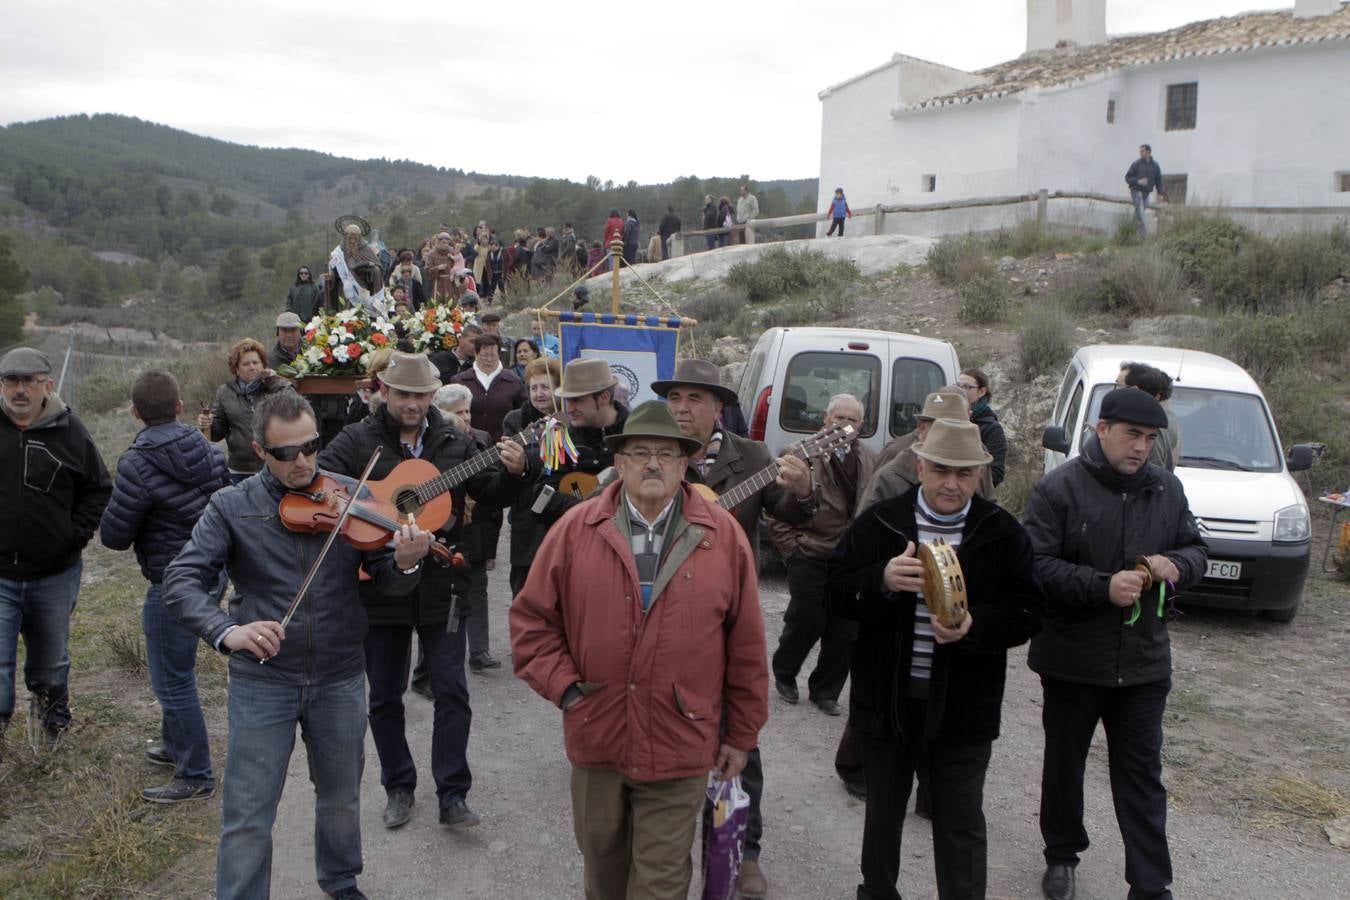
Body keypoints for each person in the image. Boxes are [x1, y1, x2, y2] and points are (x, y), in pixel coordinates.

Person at [165, 391, 429, 900]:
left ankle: (340, 880)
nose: (302, 461)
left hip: (340, 674)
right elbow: (181, 582)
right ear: (260, 451)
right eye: (285, 453)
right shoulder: (231, 505)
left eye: (310, 446)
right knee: (248, 812)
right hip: (263, 680)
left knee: (340, 798)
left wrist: (406, 563)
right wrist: (227, 631)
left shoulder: (354, 496)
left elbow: (386, 581)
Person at [510, 401, 769, 900]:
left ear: (685, 463)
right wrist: (567, 691)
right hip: (597, 733)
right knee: (603, 874)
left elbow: (748, 646)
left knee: (661, 883)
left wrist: (741, 734)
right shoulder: (576, 530)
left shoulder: (723, 536)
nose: (654, 463)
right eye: (641, 452)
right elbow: (531, 623)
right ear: (620, 462)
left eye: (667, 454)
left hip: (681, 740)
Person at [826, 419, 1045, 900]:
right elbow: (836, 593)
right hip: (887, 701)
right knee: (882, 817)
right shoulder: (882, 521)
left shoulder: (1000, 532)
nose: (952, 483)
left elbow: (1030, 609)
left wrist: (976, 626)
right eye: (942, 469)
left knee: (960, 822)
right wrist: (880, 579)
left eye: (964, 473)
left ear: (980, 476)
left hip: (965, 709)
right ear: (920, 464)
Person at [318, 354, 526, 836]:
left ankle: (453, 794)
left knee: (452, 690)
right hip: (380, 585)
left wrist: (516, 472)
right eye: (403, 393)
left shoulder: (460, 441)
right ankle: (398, 786)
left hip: (442, 585)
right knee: (385, 696)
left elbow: (491, 494)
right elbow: (326, 489)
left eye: (420, 394)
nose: (412, 403)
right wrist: (375, 520)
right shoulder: (356, 440)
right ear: (384, 392)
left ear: (433, 395)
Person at [1022, 388, 1207, 900]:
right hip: (1072, 659)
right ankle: (1061, 856)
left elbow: (1197, 548)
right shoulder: (1057, 490)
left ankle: (1150, 885)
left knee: (1143, 775)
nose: (1141, 448)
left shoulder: (1168, 490)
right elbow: (1034, 566)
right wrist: (1101, 586)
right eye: (1132, 435)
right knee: (1065, 765)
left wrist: (1178, 566)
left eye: (1150, 438)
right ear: (1101, 429)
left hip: (1145, 663)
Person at [653, 358, 814, 899]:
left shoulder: (753, 458)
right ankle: (664, 845)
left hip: (723, 617)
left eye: (694, 400)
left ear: (719, 408)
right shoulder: (652, 450)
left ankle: (743, 850)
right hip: (658, 613)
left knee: (739, 737)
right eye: (675, 398)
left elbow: (789, 512)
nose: (681, 409)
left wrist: (804, 489)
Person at [99, 370, 229, 802]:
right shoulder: (209, 452)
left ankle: (195, 774)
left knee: (173, 681)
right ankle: (174, 746)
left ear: (136, 412)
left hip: (172, 581)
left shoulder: (136, 462)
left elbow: (114, 536)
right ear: (179, 407)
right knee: (180, 669)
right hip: (212, 570)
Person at [0, 348, 112, 749]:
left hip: (54, 574)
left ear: (47, 384)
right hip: (1, 575)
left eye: (29, 380)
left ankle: (51, 731)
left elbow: (98, 489)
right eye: (12, 380)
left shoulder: (70, 431)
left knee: (49, 665)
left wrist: (73, 536)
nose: (20, 389)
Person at [767, 394, 875, 716]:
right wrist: (792, 552)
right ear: (825, 420)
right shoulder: (799, 455)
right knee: (806, 620)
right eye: (837, 417)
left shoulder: (871, 459)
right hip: (810, 552)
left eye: (851, 419)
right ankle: (785, 674)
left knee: (845, 629)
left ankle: (825, 691)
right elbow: (775, 510)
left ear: (861, 426)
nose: (844, 424)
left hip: (850, 560)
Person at [431, 383, 501, 673]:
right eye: (458, 412)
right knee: (444, 596)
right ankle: (439, 659)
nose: (466, 417)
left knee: (479, 587)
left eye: (468, 410)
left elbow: (494, 488)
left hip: (480, 527)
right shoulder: (436, 440)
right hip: (447, 527)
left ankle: (480, 650)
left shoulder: (483, 439)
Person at [862, 389, 993, 511]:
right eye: (940, 428)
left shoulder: (977, 459)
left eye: (957, 428)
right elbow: (866, 527)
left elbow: (989, 506)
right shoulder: (890, 476)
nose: (949, 436)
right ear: (921, 428)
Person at [502, 357, 561, 595]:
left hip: (560, 510)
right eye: (534, 388)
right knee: (525, 591)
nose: (539, 394)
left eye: (546, 387)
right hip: (526, 513)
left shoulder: (571, 419)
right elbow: (509, 462)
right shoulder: (515, 420)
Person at [198, 338, 293, 483]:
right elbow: (217, 434)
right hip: (239, 471)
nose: (252, 367)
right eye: (246, 364)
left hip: (273, 467)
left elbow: (294, 405)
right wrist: (208, 424)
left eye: (256, 362)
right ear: (236, 369)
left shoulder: (274, 387)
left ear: (263, 365)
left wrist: (273, 380)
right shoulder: (225, 392)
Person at [450, 334, 527, 443]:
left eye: (493, 355)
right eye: (484, 355)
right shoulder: (460, 380)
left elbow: (524, 413)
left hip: (502, 446)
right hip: (467, 444)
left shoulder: (514, 381)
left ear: (499, 355)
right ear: (476, 354)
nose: (489, 359)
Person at [1116, 362, 1180, 471]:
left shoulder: (1153, 427)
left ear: (1134, 390)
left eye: (1119, 386)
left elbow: (1153, 473)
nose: (1115, 390)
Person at [955, 368, 1007, 488]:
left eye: (967, 387)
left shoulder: (992, 429)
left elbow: (996, 473)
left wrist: (965, 484)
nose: (960, 391)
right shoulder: (948, 418)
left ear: (982, 391)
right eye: (958, 386)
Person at [326, 223, 386, 317]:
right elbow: (333, 268)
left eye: (355, 238)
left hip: (364, 284)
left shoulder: (366, 249)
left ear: (360, 238)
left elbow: (378, 267)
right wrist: (331, 270)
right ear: (345, 237)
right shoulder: (338, 252)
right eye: (350, 238)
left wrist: (371, 269)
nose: (353, 241)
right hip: (345, 285)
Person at [1125, 144, 1166, 234]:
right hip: (1136, 190)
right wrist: (1138, 181)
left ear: (1148, 152)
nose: (1140, 153)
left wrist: (1160, 193)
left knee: (1138, 213)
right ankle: (1144, 234)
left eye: (1142, 151)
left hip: (1146, 192)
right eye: (1140, 151)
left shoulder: (1155, 166)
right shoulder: (1136, 164)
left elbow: (1158, 180)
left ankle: (1129, 231)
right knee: (1140, 211)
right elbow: (1127, 177)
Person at [424, 232, 460, 298]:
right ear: (439, 242)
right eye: (443, 242)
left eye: (447, 243)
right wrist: (437, 268)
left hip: (451, 283)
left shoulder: (453, 252)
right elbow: (427, 272)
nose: (446, 245)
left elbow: (459, 263)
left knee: (451, 304)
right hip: (438, 284)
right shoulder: (432, 254)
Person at [482, 238, 506, 302]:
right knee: (492, 287)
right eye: (491, 246)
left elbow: (508, 260)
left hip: (501, 272)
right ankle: (489, 300)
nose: (493, 248)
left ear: (498, 246)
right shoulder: (489, 253)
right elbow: (487, 263)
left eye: (495, 246)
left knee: (502, 287)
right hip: (493, 273)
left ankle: (504, 300)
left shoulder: (503, 252)